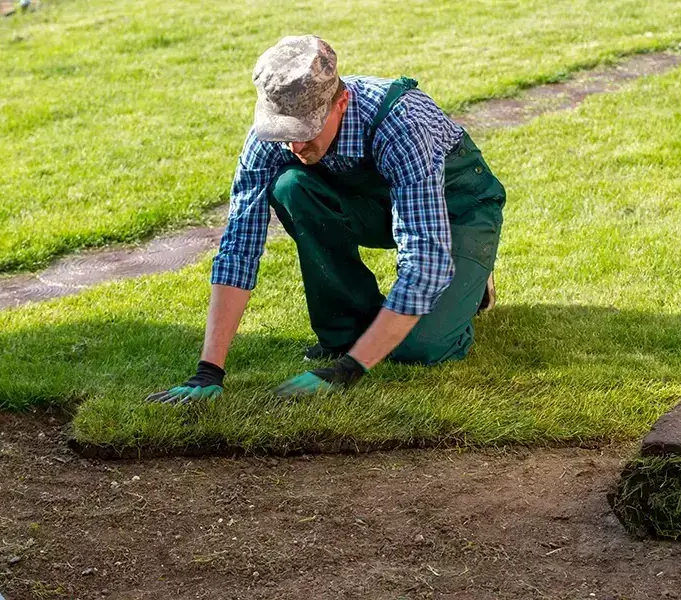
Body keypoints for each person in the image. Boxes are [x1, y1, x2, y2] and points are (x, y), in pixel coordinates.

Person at [145, 35, 506, 404]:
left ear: (341, 104)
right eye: (284, 132)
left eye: (304, 131)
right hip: (375, 204)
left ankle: (472, 284)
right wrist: (209, 371)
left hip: (455, 208)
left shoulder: (402, 126)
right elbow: (239, 246)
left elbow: (424, 259)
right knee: (292, 186)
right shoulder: (273, 137)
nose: (293, 146)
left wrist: (350, 370)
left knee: (421, 347)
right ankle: (346, 328)